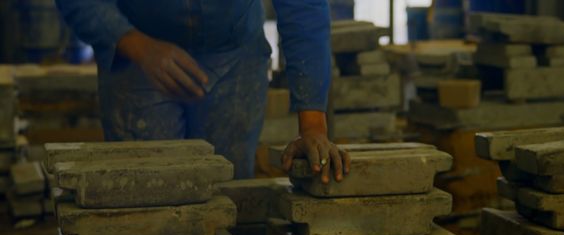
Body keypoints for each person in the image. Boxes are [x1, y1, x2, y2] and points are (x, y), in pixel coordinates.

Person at [55, 0, 350, 182]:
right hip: (137, 53)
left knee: (227, 201)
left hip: (234, 55)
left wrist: (312, 126)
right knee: (145, 198)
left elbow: (303, 6)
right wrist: (136, 45)